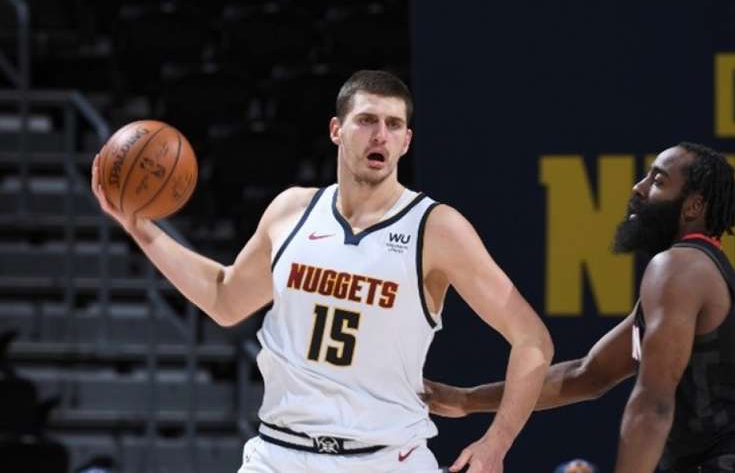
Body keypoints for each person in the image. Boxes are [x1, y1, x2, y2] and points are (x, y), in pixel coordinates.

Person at [90, 70, 554, 473]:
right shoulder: (291, 211)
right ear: (336, 129)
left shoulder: (436, 228)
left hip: (386, 456)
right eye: (367, 120)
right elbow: (224, 298)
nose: (381, 135)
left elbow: (532, 339)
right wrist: (141, 228)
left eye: (394, 125)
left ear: (407, 141)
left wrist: (498, 441)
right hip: (280, 453)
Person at [424, 143, 735, 472]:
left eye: (658, 181)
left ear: (693, 207)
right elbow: (587, 375)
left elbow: (653, 403)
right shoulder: (695, 270)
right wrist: (466, 400)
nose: (638, 188)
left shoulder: (679, 267)